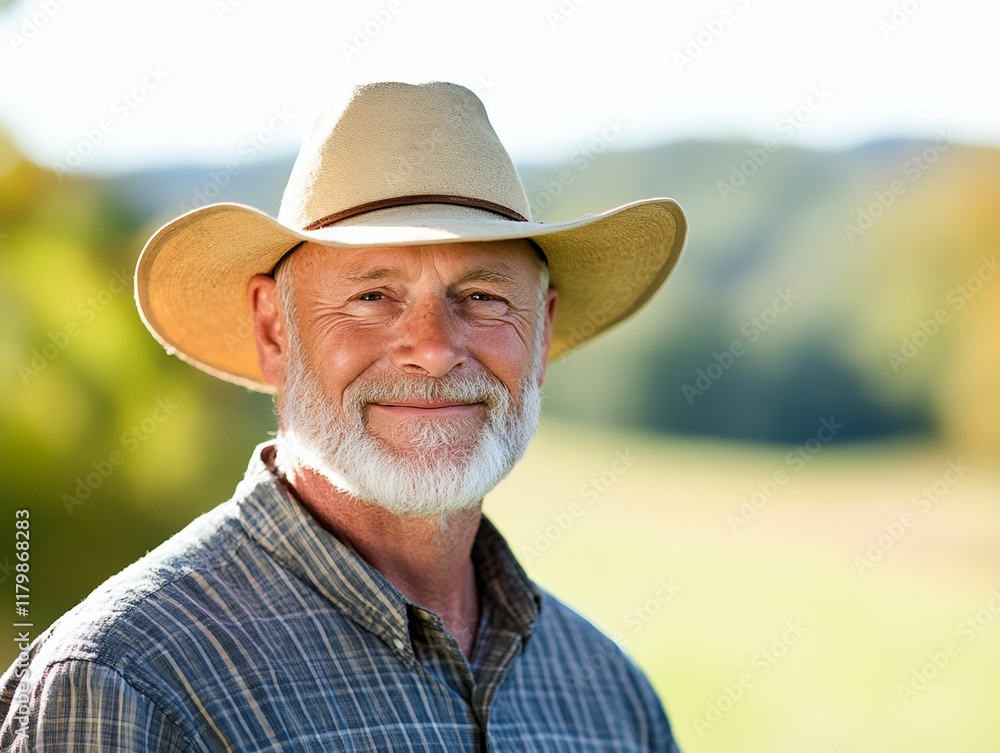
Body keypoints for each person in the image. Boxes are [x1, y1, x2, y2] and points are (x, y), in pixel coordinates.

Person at [0, 81, 687, 751]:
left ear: (541, 332)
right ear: (274, 330)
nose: (435, 350)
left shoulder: (611, 696)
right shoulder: (127, 683)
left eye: (482, 296)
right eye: (373, 296)